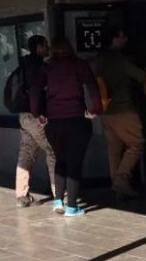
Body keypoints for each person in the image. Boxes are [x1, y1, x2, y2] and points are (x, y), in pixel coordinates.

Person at [43, 37, 102, 217]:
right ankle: (72, 207)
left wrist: (39, 113)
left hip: (53, 122)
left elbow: (36, 90)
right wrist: (96, 109)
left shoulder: (47, 67)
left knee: (60, 159)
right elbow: (92, 86)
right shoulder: (79, 65)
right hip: (76, 119)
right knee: (74, 163)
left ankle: (58, 201)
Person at [95, 25, 145, 199]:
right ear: (114, 39)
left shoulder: (99, 59)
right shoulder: (119, 59)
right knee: (136, 144)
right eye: (122, 36)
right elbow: (141, 76)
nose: (125, 39)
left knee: (114, 149)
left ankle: (117, 188)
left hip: (106, 112)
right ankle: (121, 181)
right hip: (123, 110)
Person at [15, 35, 56, 208]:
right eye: (46, 45)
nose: (48, 48)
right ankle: (59, 193)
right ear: (39, 47)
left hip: (23, 116)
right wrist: (38, 114)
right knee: (52, 150)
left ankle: (21, 194)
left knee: (26, 151)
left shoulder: (24, 64)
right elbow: (35, 92)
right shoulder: (37, 67)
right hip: (35, 116)